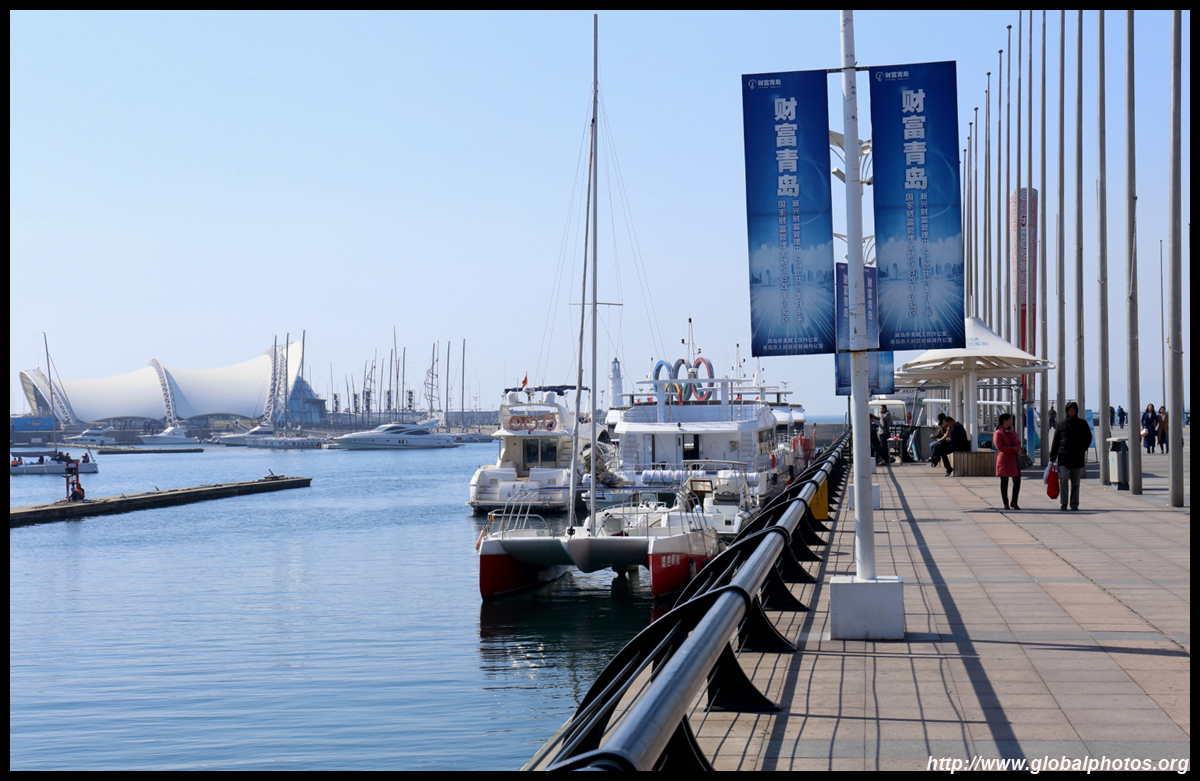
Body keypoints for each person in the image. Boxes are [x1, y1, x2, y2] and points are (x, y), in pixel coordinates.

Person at [1050, 401, 1092, 511]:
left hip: (1077, 457)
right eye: (1069, 410)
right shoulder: (1061, 424)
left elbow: (1088, 438)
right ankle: (1064, 502)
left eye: (1073, 410)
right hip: (1063, 457)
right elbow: (1055, 441)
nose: (1071, 412)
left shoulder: (1082, 424)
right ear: (1066, 411)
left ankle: (1074, 503)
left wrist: (1082, 449)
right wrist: (1052, 458)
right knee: (1063, 478)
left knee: (1075, 482)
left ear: (1076, 411)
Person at [994, 412, 1022, 510]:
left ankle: (1014, 501)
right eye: (1009, 420)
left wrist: (1018, 447)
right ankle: (1005, 503)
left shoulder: (1012, 431)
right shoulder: (998, 433)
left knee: (1017, 481)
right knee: (1004, 482)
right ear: (1004, 421)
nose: (1011, 421)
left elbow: (1018, 442)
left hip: (1014, 460)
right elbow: (1000, 447)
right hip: (1004, 460)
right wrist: (1013, 449)